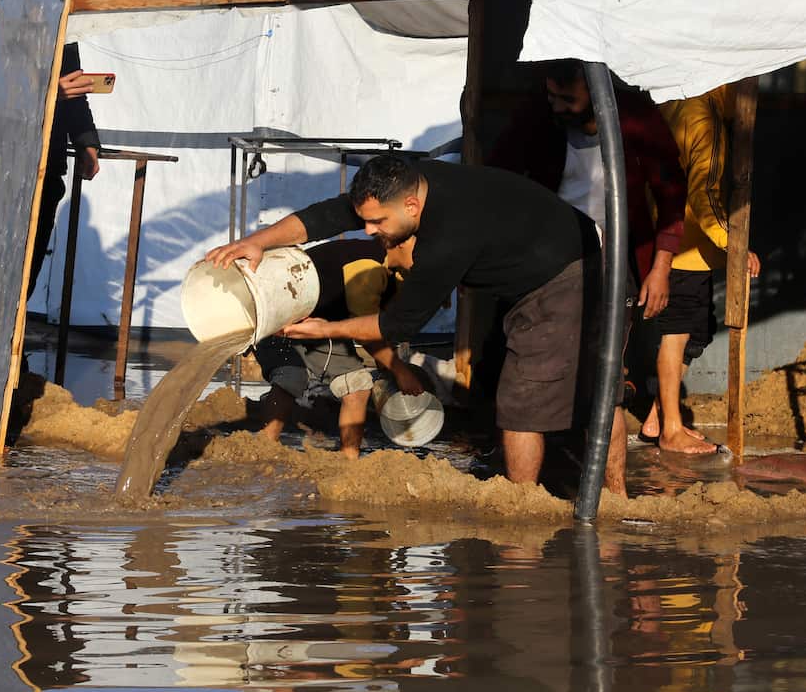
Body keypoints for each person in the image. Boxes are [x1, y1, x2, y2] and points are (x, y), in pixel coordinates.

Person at [206, 154, 597, 486]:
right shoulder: (406, 184)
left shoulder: (445, 241)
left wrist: (326, 330)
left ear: (411, 207)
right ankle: (603, 490)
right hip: (541, 258)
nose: (369, 231)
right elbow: (327, 215)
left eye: (378, 224)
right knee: (560, 388)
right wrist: (258, 241)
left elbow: (393, 327)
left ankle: (522, 511)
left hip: (565, 272)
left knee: (521, 402)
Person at [486, 59, 686, 494]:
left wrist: (661, 266)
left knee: (605, 379)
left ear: (596, 92)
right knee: (531, 376)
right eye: (552, 95)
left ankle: (613, 493)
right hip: (546, 262)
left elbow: (671, 190)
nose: (557, 105)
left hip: (615, 260)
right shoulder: (538, 116)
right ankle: (528, 494)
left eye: (567, 98)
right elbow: (497, 176)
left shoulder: (634, 116)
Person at [640, 85, 761, 454]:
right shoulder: (703, 120)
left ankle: (657, 418)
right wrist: (734, 244)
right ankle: (671, 430)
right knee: (677, 335)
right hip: (685, 250)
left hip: (679, 244)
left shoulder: (673, 105)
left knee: (695, 335)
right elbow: (704, 196)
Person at [256, 236, 421, 460]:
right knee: (290, 376)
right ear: (401, 243)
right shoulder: (367, 266)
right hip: (277, 312)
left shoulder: (403, 272)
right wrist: (401, 371)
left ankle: (349, 462)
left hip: (322, 326)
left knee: (358, 387)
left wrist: (388, 362)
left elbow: (384, 323)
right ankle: (261, 450)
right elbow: (366, 333)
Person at [2, 0, 101, 298]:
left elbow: (74, 90)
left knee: (27, 270)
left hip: (46, 165)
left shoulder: (59, 20)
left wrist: (87, 142)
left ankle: (15, 342)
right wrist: (46, 92)